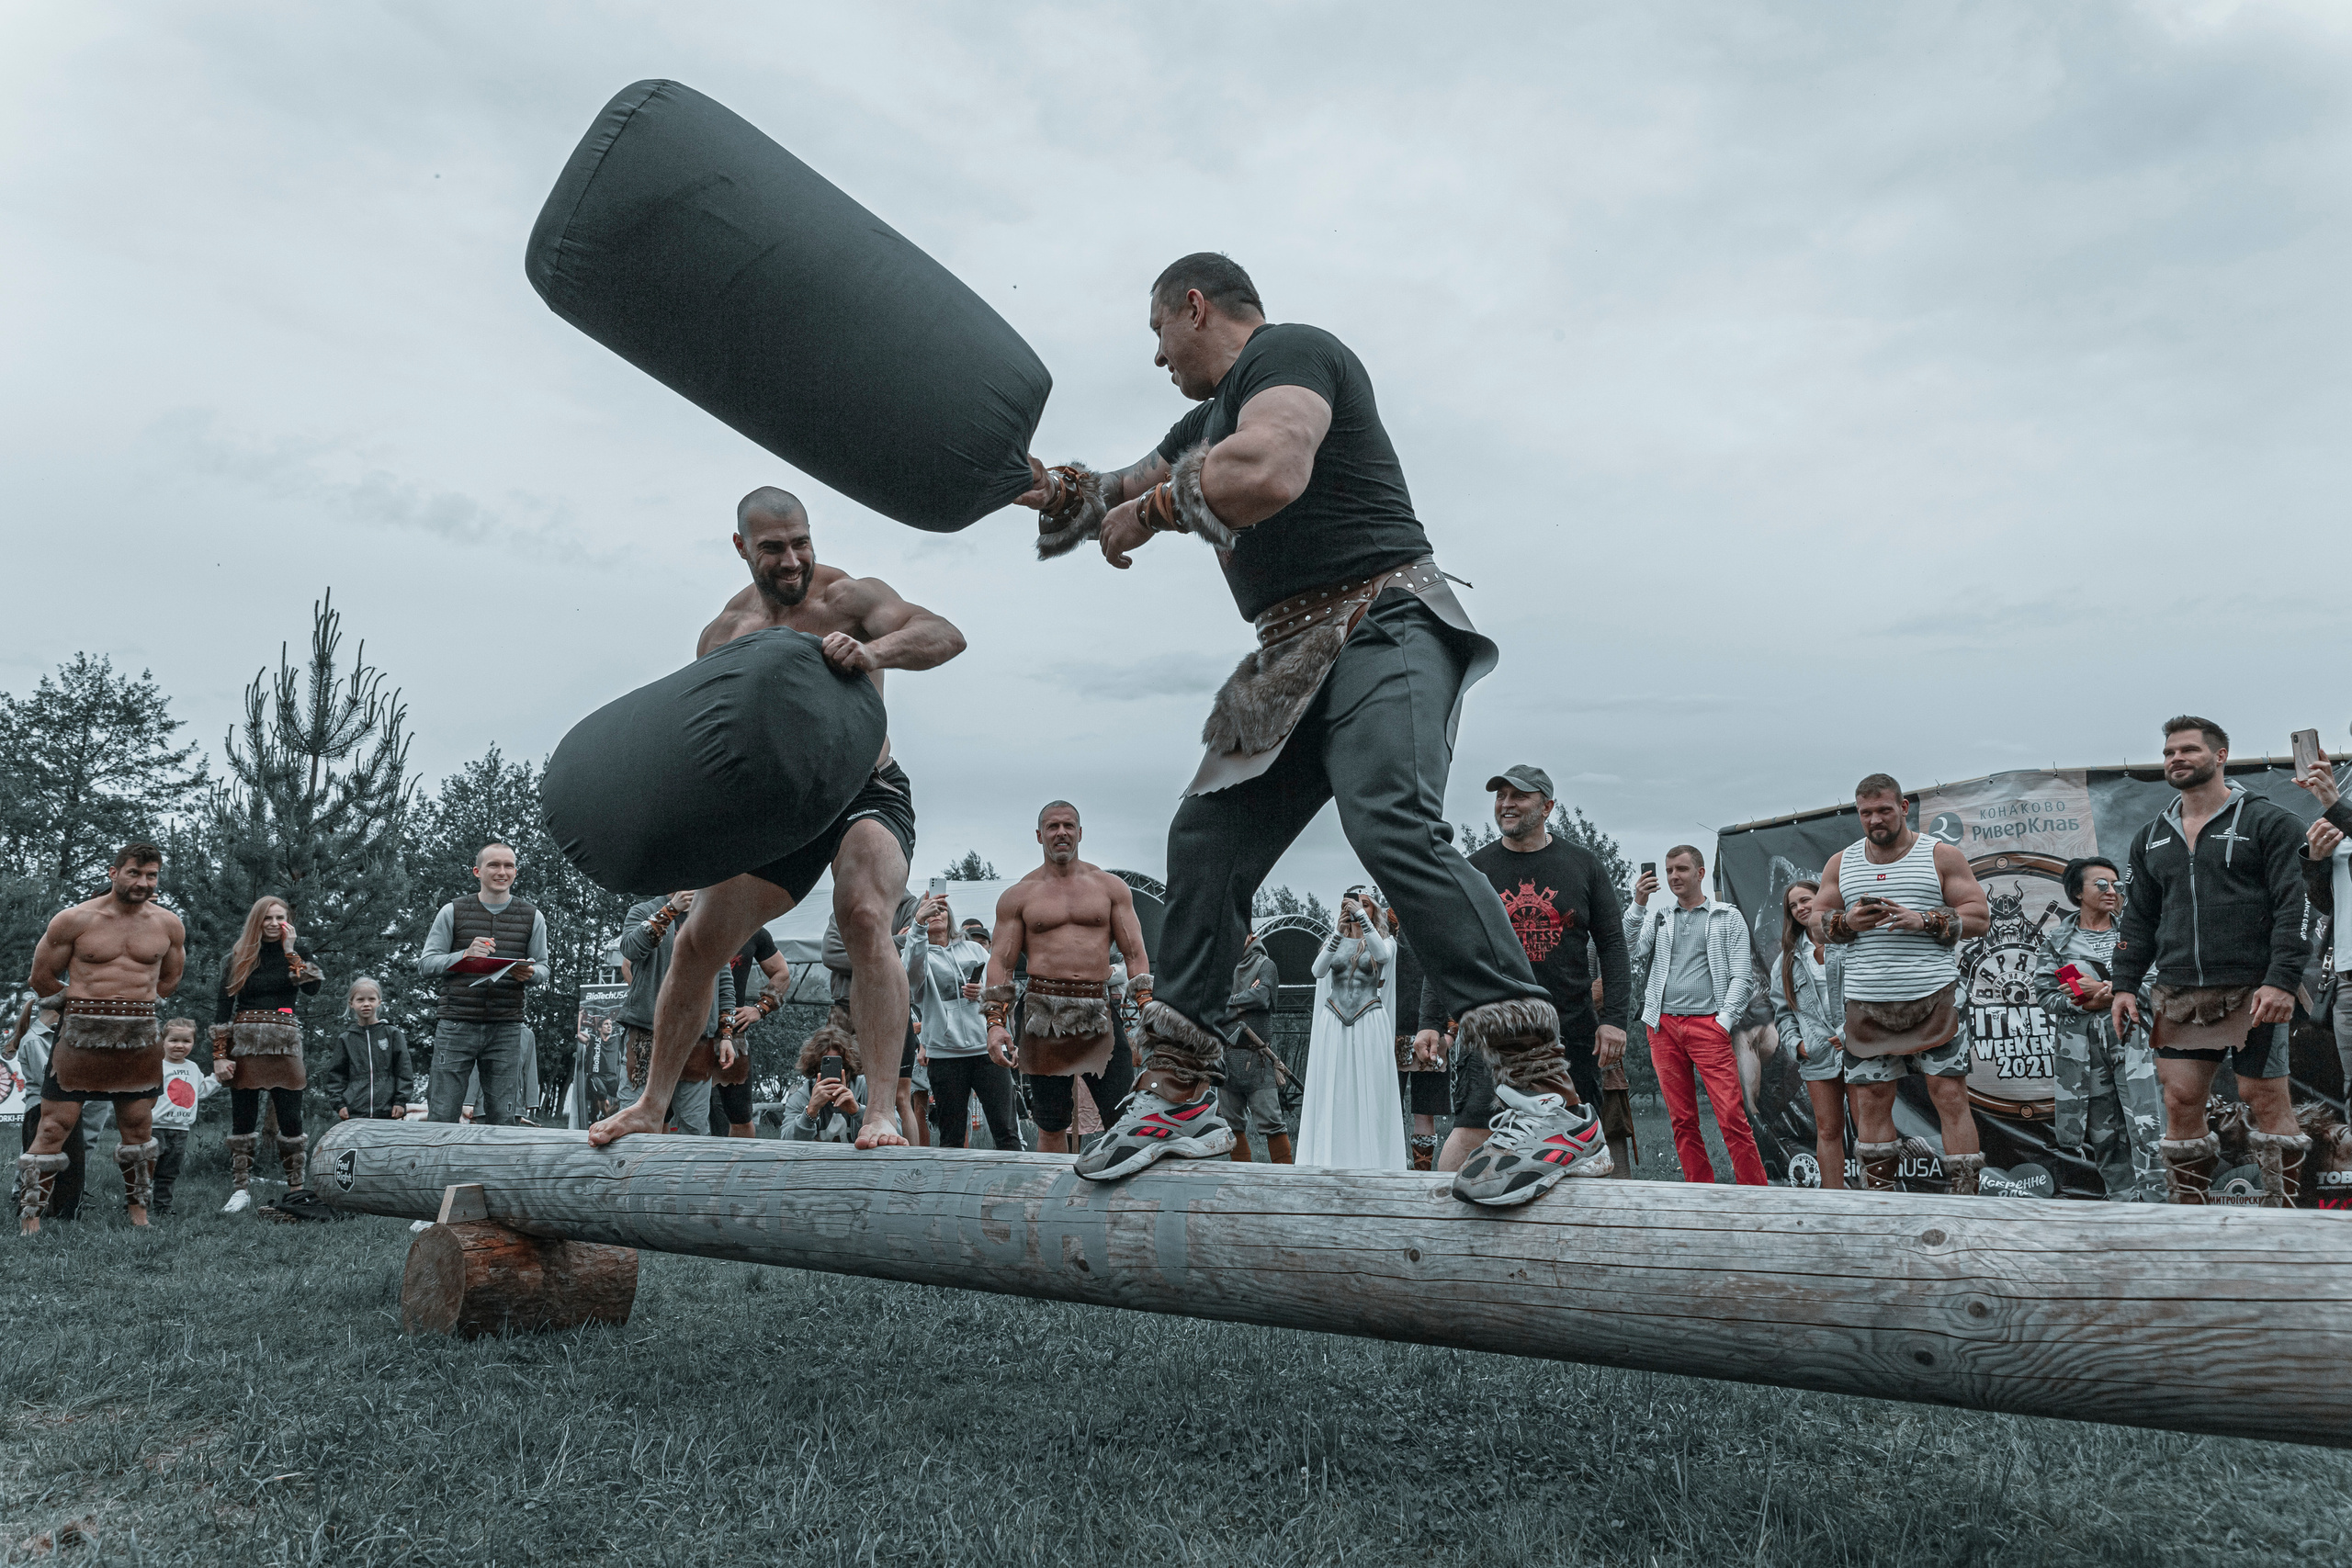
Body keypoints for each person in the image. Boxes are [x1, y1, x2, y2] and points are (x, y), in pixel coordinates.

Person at [1018, 254, 1604, 1204]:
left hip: (1384, 620)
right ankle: (1178, 1094)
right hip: (1289, 650)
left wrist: (1160, 507)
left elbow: (1270, 470)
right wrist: (1015, 478)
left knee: (1388, 825)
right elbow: (1103, 493)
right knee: (1203, 839)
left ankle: (1546, 1098)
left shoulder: (1291, 354)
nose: (1158, 358)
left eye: (1158, 335)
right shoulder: (1202, 421)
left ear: (1193, 308)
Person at [591, 488, 963, 1152]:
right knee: (697, 940)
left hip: (864, 789)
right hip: (781, 811)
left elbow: (945, 635)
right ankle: (651, 1104)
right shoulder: (723, 635)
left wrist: (875, 653)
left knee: (865, 911)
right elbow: (704, 743)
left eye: (801, 542)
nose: (792, 560)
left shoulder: (848, 597)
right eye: (773, 548)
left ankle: (879, 1109)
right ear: (741, 548)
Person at [2111, 717, 2310, 1205]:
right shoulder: (2152, 835)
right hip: (2179, 991)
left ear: (2220, 756)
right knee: (2179, 1102)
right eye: (2168, 752)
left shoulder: (2270, 821)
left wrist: (2282, 981)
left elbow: (2295, 905)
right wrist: (2122, 984)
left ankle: (2286, 1229)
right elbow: (2138, 918)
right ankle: (2191, 1225)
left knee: (2262, 1099)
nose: (2175, 759)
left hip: (2254, 987)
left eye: (2188, 750)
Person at [1433, 766, 1634, 1178]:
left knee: (1579, 1143)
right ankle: (1438, 1229)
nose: (1506, 804)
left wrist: (1613, 1021)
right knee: (1471, 1133)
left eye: (1518, 796)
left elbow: (1614, 947)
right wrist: (1430, 1022)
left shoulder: (1584, 865)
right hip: (1494, 1033)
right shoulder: (1476, 869)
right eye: (1500, 795)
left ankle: (1587, 1235)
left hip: (1570, 1032)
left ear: (1547, 807)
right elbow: (1446, 949)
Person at [1815, 774, 1992, 1195]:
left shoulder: (1940, 855)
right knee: (1872, 1101)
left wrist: (1926, 920)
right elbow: (1815, 923)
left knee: (1949, 1097)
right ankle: (1881, 1206)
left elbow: (1979, 917)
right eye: (1866, 813)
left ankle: (1966, 1203)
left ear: (1904, 808)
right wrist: (1845, 922)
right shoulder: (1842, 862)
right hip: (1867, 1005)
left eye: (1884, 810)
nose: (1875, 820)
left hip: (1935, 1000)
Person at [21, 842, 187, 1233]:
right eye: (134, 873)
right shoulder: (74, 919)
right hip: (80, 1035)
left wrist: (133, 1006)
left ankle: (139, 1215)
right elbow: (40, 978)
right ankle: (31, 1217)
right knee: (52, 1126)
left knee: (138, 1127)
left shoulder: (168, 924)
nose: (143, 882)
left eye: (151, 875)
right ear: (113, 873)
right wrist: (82, 1005)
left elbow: (169, 980)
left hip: (138, 1035)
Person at [984, 803, 1153, 1158]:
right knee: (1050, 1124)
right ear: (1039, 835)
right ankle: (1054, 1205)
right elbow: (1000, 962)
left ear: (1080, 832)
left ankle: (1124, 1202)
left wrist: (1147, 1007)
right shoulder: (1020, 895)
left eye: (1068, 825)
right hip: (1042, 1015)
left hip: (1098, 1011)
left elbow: (1135, 953)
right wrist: (995, 1023)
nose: (1061, 832)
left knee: (1124, 1117)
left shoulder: (1111, 888)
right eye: (1052, 826)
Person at [1627, 844, 1766, 1187]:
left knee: (1731, 1116)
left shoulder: (1727, 916)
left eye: (1682, 869)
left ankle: (1757, 1195)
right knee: (1682, 1119)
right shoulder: (1660, 916)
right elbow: (1629, 949)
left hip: (1709, 1026)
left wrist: (1724, 1022)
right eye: (1669, 869)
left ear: (1700, 873)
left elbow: (1742, 977)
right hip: (1663, 1027)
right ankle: (1699, 1190)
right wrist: (1638, 903)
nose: (1674, 876)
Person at [2031, 859, 2162, 1202]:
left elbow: (2158, 984)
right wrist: (2083, 1002)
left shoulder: (2135, 932)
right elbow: (2046, 996)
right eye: (2101, 884)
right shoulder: (2058, 942)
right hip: (2084, 1052)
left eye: (2116, 884)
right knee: (2105, 1133)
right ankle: (2121, 1203)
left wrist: (2107, 990)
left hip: (2135, 1044)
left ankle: (2159, 1206)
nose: (2111, 891)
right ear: (2078, 892)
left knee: (2147, 1126)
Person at [416, 843, 549, 1126]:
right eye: (494, 865)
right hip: (455, 1025)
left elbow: (543, 967)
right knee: (442, 1114)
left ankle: (494, 1172)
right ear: (477, 871)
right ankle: (438, 1171)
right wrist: (463, 956)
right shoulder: (451, 911)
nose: (502, 871)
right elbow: (426, 964)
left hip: (507, 1027)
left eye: (509, 866)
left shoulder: (533, 916)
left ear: (515, 872)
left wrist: (531, 974)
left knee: (503, 1116)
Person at [209, 894, 324, 1213]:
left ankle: (296, 1188)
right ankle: (241, 1188)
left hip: (285, 1042)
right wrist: (220, 1055)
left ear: (288, 921)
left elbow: (312, 988)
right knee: (243, 1117)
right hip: (244, 1041)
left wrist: (291, 952)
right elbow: (222, 1007)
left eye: (280, 918)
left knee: (291, 1117)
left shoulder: (298, 953)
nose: (274, 924)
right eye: (268, 918)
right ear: (257, 921)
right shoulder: (237, 956)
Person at [903, 891, 1020, 1150]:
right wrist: (917, 928)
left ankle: (1012, 1187)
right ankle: (949, 1190)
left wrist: (982, 994)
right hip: (945, 1055)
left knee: (1006, 1131)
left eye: (941, 909)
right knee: (951, 1136)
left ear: (951, 917)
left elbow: (1000, 991)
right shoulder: (921, 955)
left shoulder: (974, 949)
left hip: (986, 1050)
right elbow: (909, 981)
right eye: (929, 910)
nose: (936, 913)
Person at [1296, 890, 1404, 1168]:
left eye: (1364, 905)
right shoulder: (1335, 942)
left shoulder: (1386, 941)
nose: (1357, 909)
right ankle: (1330, 1157)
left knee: (1369, 1086)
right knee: (1335, 1088)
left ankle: (1370, 1160)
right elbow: (1318, 971)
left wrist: (1362, 922)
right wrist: (1339, 931)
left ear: (1373, 911)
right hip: (1334, 1019)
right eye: (1352, 905)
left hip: (1369, 1018)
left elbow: (1382, 955)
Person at [616, 892, 735, 1137]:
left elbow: (724, 982)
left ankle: (683, 1177)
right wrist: (670, 910)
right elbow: (630, 948)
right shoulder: (643, 911)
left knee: (694, 1128)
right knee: (632, 1120)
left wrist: (726, 1034)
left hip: (697, 1039)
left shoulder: (711, 919)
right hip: (646, 1034)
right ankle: (631, 1176)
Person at [1769, 882, 1849, 1190]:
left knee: (1871, 1133)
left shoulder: (1848, 943)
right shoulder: (1786, 961)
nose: (1801, 908)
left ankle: (1874, 1207)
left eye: (1806, 900)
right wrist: (1797, 1045)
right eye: (1793, 905)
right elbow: (1783, 1012)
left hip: (1860, 1049)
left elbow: (1868, 993)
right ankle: (1833, 1205)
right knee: (1827, 1131)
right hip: (1817, 1056)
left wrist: (1852, 1031)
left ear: (1823, 899)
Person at [2293, 741, 2352, 1113]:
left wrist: (2334, 803)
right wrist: (2315, 860)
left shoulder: (2341, 809)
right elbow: (2328, 904)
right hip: (2348, 978)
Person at [1220, 925, 1294, 1163]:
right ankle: (1242, 1180)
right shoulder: (1223, 967)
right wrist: (1241, 1003)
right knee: (1231, 1124)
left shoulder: (1266, 965)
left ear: (1251, 936)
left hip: (1259, 1059)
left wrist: (1230, 1002)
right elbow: (1213, 1006)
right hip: (1228, 1058)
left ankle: (1285, 1179)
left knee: (1272, 1123)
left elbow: (1262, 998)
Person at [718, 929, 794, 1137]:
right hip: (685, 1034)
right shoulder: (682, 916)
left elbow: (782, 973)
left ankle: (740, 1169)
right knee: (668, 1112)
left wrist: (760, 1008)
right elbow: (629, 964)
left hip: (733, 1036)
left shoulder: (751, 927)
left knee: (740, 1117)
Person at [319, 977, 415, 1123]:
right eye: (360, 1000)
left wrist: (400, 1101)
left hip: (388, 1112)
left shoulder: (392, 1034)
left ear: (379, 1001)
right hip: (355, 1112)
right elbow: (336, 1075)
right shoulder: (346, 1039)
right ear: (351, 1003)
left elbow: (404, 1070)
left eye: (371, 999)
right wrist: (339, 1104)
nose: (366, 1004)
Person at [148, 1018, 217, 1215]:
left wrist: (218, 1079)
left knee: (169, 1172)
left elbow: (201, 1091)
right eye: (173, 1040)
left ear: (193, 1043)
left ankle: (163, 1207)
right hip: (154, 1127)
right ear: (163, 1041)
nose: (180, 1045)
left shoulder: (193, 1068)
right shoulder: (155, 1065)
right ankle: (137, 1204)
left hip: (180, 1129)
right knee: (145, 1169)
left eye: (186, 1041)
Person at [784, 1019, 865, 1144]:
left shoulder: (867, 1089)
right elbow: (786, 1143)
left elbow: (896, 1131)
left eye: (840, 1065)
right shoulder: (802, 1096)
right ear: (815, 1067)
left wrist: (857, 1111)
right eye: (825, 1065)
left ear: (849, 1066)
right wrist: (810, 1112)